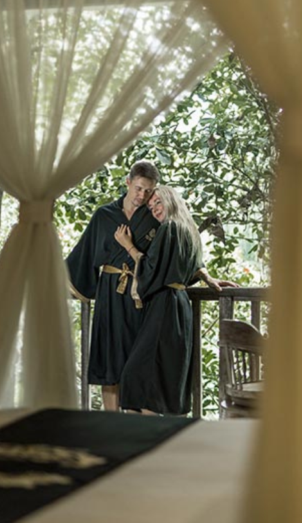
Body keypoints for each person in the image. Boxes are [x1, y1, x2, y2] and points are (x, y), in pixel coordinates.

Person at [67, 161, 228, 412]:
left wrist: (206, 276)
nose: (143, 196)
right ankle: (112, 428)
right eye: (139, 188)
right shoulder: (104, 216)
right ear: (128, 182)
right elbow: (84, 256)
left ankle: (135, 429)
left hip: (144, 297)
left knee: (139, 365)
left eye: (149, 192)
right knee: (111, 362)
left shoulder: (155, 217)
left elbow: (176, 252)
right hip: (111, 294)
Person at [114, 185, 235, 415]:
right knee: (162, 375)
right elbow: (190, 267)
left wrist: (128, 246)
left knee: (139, 375)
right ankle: (154, 434)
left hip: (164, 307)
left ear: (171, 200)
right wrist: (206, 276)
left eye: (158, 202)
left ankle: (146, 440)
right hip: (179, 306)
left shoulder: (169, 228)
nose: (155, 209)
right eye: (151, 207)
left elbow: (151, 268)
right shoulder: (188, 231)